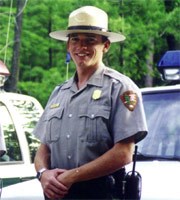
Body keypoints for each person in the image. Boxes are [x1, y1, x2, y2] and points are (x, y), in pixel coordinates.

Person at [34, 6, 148, 200]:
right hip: (59, 194)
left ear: (106, 45)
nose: (81, 47)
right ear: (68, 45)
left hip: (100, 192)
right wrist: (43, 173)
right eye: (75, 40)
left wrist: (72, 176)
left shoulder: (121, 88)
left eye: (90, 41)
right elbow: (43, 149)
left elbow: (124, 153)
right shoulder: (58, 93)